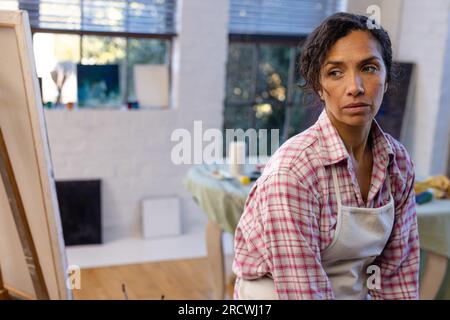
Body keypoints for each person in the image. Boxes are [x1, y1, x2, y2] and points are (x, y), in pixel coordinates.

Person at [232, 12, 420, 300]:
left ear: (386, 75)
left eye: (369, 68)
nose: (355, 87)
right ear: (319, 87)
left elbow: (396, 276)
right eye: (335, 73)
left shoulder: (399, 164)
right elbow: (302, 292)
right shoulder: (292, 173)